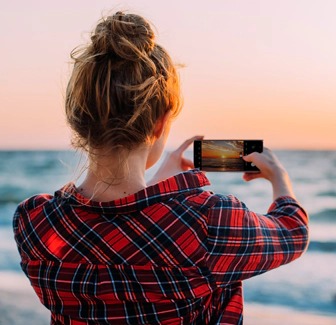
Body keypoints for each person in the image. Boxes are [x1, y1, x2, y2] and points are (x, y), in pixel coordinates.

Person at [13, 11, 309, 325]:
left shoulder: (36, 223)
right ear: (161, 123)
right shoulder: (208, 223)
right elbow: (293, 232)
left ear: (79, 121)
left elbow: (121, 231)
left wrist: (158, 184)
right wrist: (280, 177)